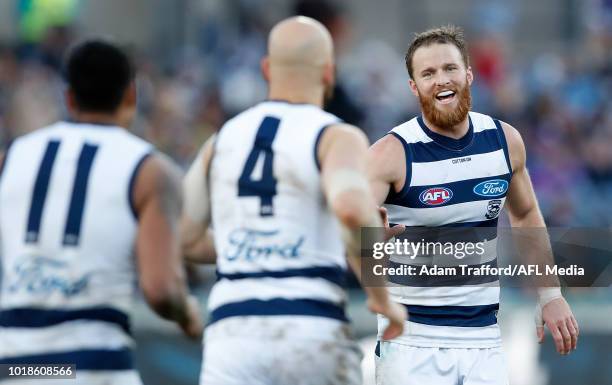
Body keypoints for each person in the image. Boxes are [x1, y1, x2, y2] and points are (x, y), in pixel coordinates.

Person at [180, 16, 406, 385]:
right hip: (309, 325)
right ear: (329, 73)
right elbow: (351, 209)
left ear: (267, 69)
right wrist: (381, 297)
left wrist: (255, 248)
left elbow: (184, 237)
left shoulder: (221, 140)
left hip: (231, 334)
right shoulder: (336, 136)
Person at [368, 25, 579, 385]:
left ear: (468, 74)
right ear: (413, 86)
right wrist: (368, 243)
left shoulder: (504, 141)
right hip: (412, 342)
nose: (440, 80)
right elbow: (344, 225)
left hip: (484, 339)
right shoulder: (390, 154)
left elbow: (525, 214)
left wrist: (550, 295)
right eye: (428, 73)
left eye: (449, 68)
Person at [0, 40, 202, 385]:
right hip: (95, 365)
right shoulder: (150, 171)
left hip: (18, 366)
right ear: (131, 96)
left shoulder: (11, 159)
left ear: (69, 98)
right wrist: (188, 316)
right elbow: (160, 289)